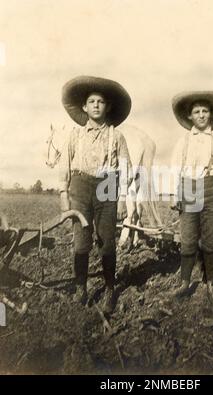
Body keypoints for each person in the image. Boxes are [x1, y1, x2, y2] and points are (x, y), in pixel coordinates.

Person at [59, 76, 132, 313]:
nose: (96, 105)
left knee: (106, 241)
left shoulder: (117, 136)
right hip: (80, 185)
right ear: (84, 107)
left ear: (108, 106)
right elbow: (65, 166)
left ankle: (110, 289)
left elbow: (125, 168)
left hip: (108, 186)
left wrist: (121, 199)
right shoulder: (74, 135)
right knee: (81, 242)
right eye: (91, 101)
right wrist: (63, 193)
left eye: (101, 101)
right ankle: (81, 287)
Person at [170, 91, 213, 308]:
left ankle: (212, 284)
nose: (201, 115)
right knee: (187, 238)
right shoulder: (183, 142)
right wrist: (173, 193)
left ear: (211, 114)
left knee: (211, 240)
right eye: (196, 111)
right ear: (189, 116)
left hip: (211, 189)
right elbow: (174, 170)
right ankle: (185, 282)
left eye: (205, 111)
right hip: (188, 189)